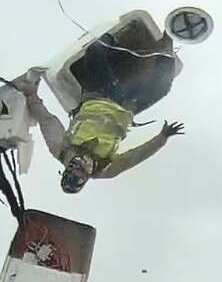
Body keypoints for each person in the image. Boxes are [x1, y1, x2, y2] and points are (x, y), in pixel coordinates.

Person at [18, 33, 186, 194]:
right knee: (162, 86)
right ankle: (169, 39)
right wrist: (162, 138)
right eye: (82, 170)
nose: (82, 162)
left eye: (75, 166)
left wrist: (32, 97)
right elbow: (135, 157)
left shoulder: (61, 150)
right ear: (86, 176)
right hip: (127, 106)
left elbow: (48, 121)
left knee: (95, 51)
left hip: (98, 95)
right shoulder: (106, 169)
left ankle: (113, 41)